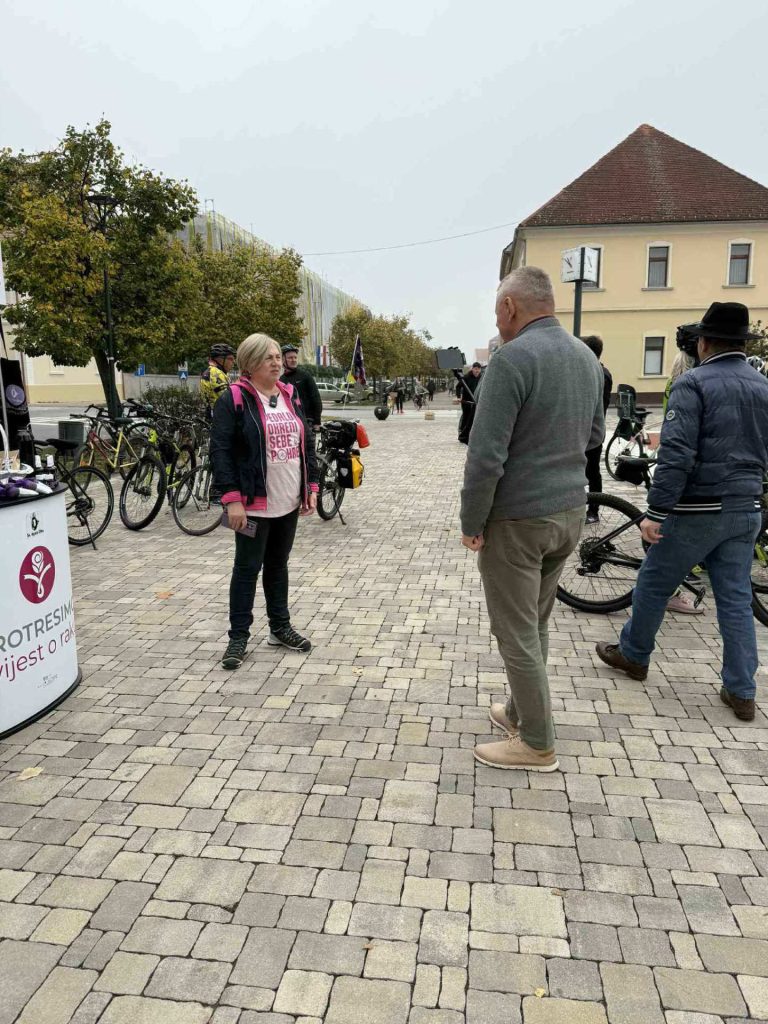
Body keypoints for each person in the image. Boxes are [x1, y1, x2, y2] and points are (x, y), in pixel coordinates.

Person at [596, 302, 768, 722]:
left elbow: (676, 454)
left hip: (697, 508)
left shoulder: (694, 383)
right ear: (742, 343)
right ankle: (741, 690)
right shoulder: (763, 387)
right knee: (735, 598)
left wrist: (656, 511)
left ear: (704, 343)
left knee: (654, 582)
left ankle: (634, 655)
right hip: (746, 508)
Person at [461, 267, 604, 771]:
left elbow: (485, 456)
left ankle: (538, 742)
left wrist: (472, 521)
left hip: (518, 520)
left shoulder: (512, 359)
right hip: (567, 513)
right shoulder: (586, 356)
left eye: (497, 309)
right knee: (535, 621)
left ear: (510, 307)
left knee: (515, 630)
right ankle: (520, 713)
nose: (496, 318)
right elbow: (593, 436)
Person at [211, 333, 319, 670]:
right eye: (268, 357)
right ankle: (238, 637)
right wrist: (232, 501)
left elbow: (307, 442)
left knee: (278, 565)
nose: (276, 362)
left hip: (288, 500)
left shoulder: (290, 394)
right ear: (250, 364)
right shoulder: (234, 398)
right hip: (252, 503)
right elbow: (221, 451)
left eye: (277, 356)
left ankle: (279, 627)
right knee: (246, 569)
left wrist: (310, 486)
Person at [582, 335, 612, 524]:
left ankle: (593, 510)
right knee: (584, 472)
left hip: (592, 432)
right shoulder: (593, 371)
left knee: (592, 472)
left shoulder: (600, 374)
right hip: (584, 431)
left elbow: (598, 405)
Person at [280, 344, 323, 430]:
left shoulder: (305, 376)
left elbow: (316, 398)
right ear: (283, 360)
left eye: (295, 357)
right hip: (290, 422)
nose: (294, 360)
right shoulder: (281, 380)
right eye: (290, 358)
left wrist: (317, 422)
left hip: (307, 421)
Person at [200, 344, 236, 420]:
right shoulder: (215, 373)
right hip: (220, 419)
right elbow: (229, 399)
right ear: (220, 359)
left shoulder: (216, 372)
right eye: (230, 359)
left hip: (214, 416)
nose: (233, 362)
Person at [456, 362, 483, 443]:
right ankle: (462, 433)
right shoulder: (466, 377)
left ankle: (472, 434)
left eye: (478, 370)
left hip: (476, 401)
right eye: (475, 369)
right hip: (466, 401)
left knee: (474, 418)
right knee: (466, 416)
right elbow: (458, 386)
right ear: (472, 369)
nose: (477, 371)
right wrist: (458, 396)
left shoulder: (481, 377)